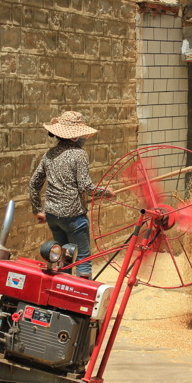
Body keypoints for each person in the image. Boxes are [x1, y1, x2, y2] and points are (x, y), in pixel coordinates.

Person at [29, 111, 114, 279]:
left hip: (53, 216)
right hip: (74, 217)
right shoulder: (79, 155)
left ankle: (63, 290)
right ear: (75, 137)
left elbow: (34, 183)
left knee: (64, 257)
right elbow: (85, 187)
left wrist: (38, 210)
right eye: (82, 135)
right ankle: (82, 294)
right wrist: (106, 193)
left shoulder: (49, 154)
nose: (84, 138)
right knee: (83, 257)